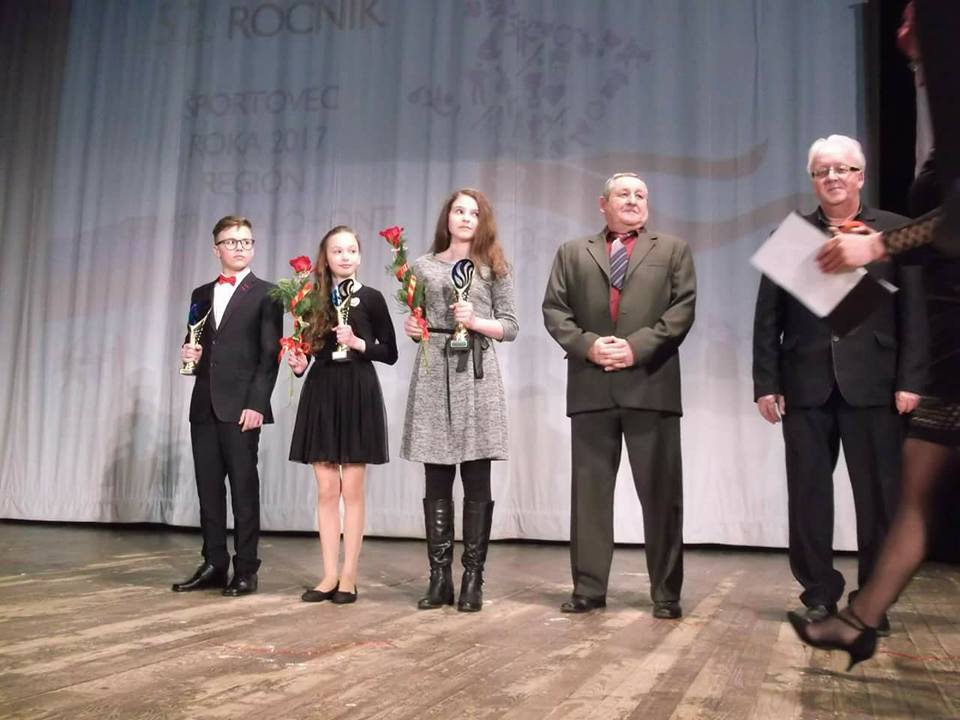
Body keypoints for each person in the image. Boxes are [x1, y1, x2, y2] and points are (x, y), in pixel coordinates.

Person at [789, 0, 960, 670]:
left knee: (902, 493)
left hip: (912, 367)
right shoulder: (796, 234)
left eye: (916, 14)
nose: (902, 27)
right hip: (938, 356)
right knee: (914, 492)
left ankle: (861, 618)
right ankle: (856, 621)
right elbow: (775, 317)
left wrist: (880, 245)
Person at [752, 136, 926, 631]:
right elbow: (768, 318)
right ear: (812, 180)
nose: (832, 177)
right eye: (822, 171)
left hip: (876, 384)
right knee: (808, 496)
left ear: (860, 176)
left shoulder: (895, 232)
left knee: (879, 500)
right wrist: (766, 382)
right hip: (804, 385)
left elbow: (915, 313)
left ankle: (872, 598)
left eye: (842, 169)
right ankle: (818, 593)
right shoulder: (790, 236)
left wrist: (911, 378)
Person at [542, 172, 696, 618]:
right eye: (623, 194)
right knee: (589, 496)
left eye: (640, 194)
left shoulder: (672, 249)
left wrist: (635, 348)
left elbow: (682, 309)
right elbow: (555, 310)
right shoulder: (573, 252)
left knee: (662, 495)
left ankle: (666, 594)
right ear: (603, 203)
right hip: (592, 385)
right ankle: (589, 589)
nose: (632, 200)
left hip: (651, 382)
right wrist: (590, 345)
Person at [401, 188, 518, 613]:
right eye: (459, 210)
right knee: (436, 474)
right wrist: (415, 328)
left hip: (476, 373)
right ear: (447, 218)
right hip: (435, 371)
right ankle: (439, 578)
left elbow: (511, 326)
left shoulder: (494, 267)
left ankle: (472, 578)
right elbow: (417, 316)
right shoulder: (422, 266)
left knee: (475, 473)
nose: (466, 218)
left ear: (482, 221)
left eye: (474, 212)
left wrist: (477, 321)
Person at [287, 226, 398, 604]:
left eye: (351, 250)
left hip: (357, 391)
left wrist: (358, 343)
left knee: (351, 490)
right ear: (326, 257)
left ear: (360, 256)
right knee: (325, 489)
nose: (345, 256)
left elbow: (390, 351)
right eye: (338, 251)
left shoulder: (372, 298)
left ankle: (349, 575)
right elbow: (309, 350)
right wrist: (299, 363)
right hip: (322, 391)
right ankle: (328, 575)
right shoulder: (311, 300)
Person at [173, 215, 283, 596]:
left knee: (243, 489)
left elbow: (270, 356)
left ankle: (246, 568)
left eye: (246, 241)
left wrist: (257, 404)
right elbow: (202, 344)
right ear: (216, 248)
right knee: (208, 489)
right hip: (204, 404)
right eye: (232, 242)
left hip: (242, 407)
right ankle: (214, 562)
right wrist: (190, 355)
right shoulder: (201, 293)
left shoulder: (268, 293)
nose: (239, 247)